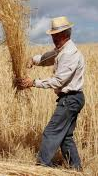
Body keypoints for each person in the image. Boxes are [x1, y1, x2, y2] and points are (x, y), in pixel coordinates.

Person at [19, 16, 85, 170]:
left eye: (57, 35)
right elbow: (48, 57)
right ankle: (76, 169)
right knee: (66, 137)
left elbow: (58, 81)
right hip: (72, 99)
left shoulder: (69, 53)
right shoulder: (62, 49)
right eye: (53, 35)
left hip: (70, 99)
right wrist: (34, 60)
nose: (54, 38)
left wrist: (33, 82)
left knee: (51, 132)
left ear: (66, 34)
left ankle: (42, 167)